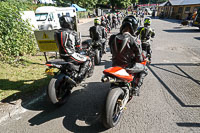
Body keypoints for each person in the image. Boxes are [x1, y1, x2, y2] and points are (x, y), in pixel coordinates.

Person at [109, 15, 148, 96]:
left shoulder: (112, 37)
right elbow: (139, 59)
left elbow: (112, 52)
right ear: (134, 27)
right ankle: (136, 88)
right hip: (128, 67)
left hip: (114, 65)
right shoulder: (136, 40)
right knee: (144, 69)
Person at [54, 15, 90, 81]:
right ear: (69, 23)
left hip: (61, 55)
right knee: (87, 59)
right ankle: (80, 76)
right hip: (70, 55)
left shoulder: (56, 32)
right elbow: (78, 47)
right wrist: (80, 51)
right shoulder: (73, 33)